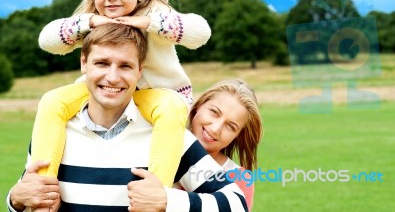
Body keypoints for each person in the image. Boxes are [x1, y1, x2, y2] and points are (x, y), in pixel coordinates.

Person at [7, 23, 247, 212]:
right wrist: (15, 200)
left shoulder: (172, 137)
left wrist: (167, 201)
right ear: (84, 63)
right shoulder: (56, 132)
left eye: (125, 66)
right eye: (102, 63)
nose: (112, 77)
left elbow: (237, 203)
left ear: (139, 71)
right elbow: (26, 196)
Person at [32, 0, 211, 188]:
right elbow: (46, 40)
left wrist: (148, 23)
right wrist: (89, 22)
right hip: (103, 89)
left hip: (157, 93)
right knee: (52, 101)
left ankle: (155, 189)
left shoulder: (154, 14)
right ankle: (43, 186)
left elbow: (201, 33)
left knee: (171, 110)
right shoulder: (91, 20)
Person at [188, 79, 263, 211]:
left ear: (237, 136)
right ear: (199, 105)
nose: (216, 129)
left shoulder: (239, 180)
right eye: (214, 112)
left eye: (230, 126)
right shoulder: (155, 144)